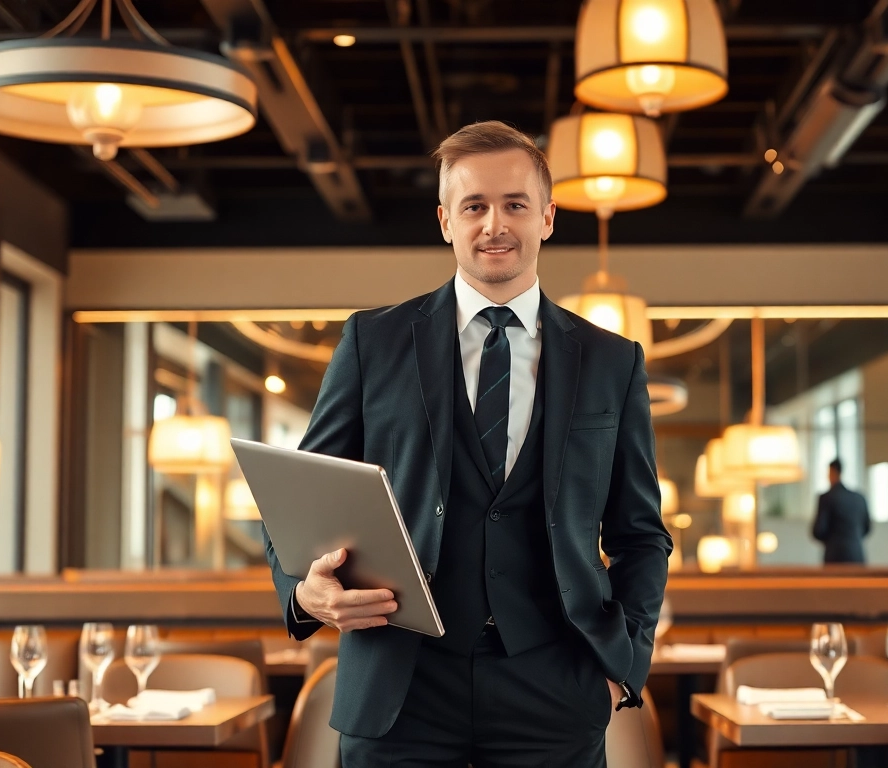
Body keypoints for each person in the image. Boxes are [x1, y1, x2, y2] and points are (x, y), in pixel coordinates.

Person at [261, 121, 672, 766]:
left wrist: (625, 661)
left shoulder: (611, 361)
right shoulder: (374, 342)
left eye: (514, 204)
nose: (494, 225)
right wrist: (302, 590)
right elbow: (303, 499)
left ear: (548, 217)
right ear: (446, 220)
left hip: (554, 685)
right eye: (474, 206)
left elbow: (641, 533)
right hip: (401, 682)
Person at [811, 458, 871, 564]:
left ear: (831, 472)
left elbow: (818, 530)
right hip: (857, 555)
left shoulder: (826, 498)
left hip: (834, 557)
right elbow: (867, 528)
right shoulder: (859, 498)